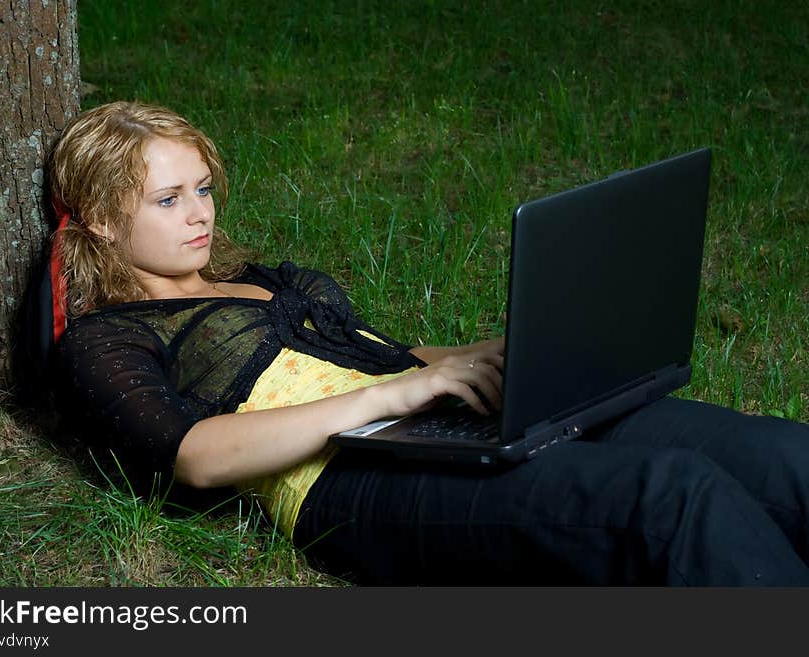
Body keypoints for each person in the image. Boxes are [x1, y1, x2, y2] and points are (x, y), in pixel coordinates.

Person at [47, 101, 809, 585]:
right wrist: (391, 397)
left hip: (430, 419)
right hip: (346, 480)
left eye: (203, 187)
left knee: (775, 457)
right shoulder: (106, 335)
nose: (199, 213)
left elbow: (391, 357)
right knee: (674, 497)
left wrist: (504, 350)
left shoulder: (257, 278)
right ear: (104, 221)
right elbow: (194, 455)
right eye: (169, 198)